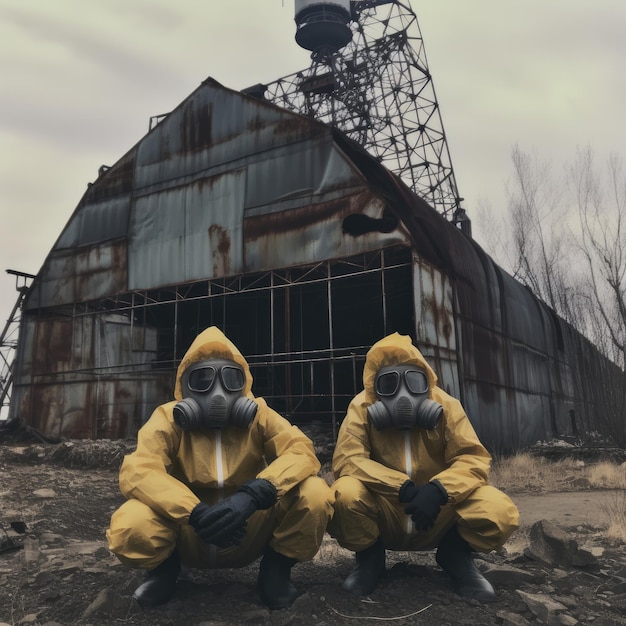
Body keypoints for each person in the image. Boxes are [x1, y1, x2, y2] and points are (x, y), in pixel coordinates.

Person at [106, 326, 334, 610]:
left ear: (244, 384)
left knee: (315, 494)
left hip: (247, 526)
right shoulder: (167, 419)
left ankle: (276, 570)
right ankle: (164, 570)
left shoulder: (259, 415)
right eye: (202, 379)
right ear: (184, 386)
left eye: (230, 379)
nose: (218, 392)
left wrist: (256, 493)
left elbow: (300, 450)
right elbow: (140, 470)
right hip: (189, 531)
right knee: (132, 522)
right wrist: (194, 512)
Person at [328, 332, 519, 602]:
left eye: (414, 382)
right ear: (374, 387)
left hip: (439, 511)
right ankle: (370, 560)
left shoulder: (447, 406)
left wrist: (439, 490)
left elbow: (472, 458)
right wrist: (401, 489)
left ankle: (456, 557)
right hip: (387, 512)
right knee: (344, 494)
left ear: (426, 382)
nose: (402, 394)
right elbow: (348, 459)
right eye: (389, 384)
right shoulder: (361, 407)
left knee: (497, 509)